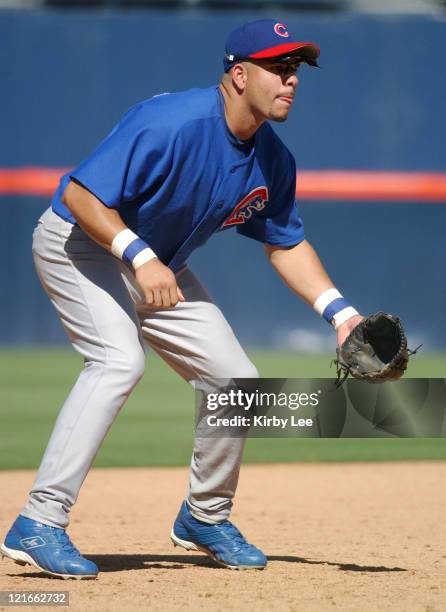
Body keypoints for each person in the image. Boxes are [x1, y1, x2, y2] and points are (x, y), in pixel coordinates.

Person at [1, 18, 362, 578]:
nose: (290, 80)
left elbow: (285, 243)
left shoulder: (273, 158)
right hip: (82, 244)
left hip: (157, 264)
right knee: (118, 361)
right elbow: (77, 193)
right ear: (239, 75)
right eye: (277, 68)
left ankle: (204, 516)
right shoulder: (172, 122)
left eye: (295, 70)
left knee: (235, 379)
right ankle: (39, 521)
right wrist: (140, 256)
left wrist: (342, 315)